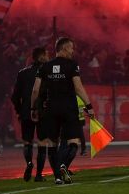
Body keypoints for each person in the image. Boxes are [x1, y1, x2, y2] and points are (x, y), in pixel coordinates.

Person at [29, 37, 94, 185]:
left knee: (52, 143)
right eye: (71, 48)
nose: (73, 51)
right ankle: (64, 165)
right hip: (69, 108)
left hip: (51, 109)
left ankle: (57, 177)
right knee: (73, 141)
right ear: (64, 48)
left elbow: (35, 90)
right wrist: (89, 106)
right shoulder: (72, 65)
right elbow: (78, 88)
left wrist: (33, 108)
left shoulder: (45, 66)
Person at [10, 46, 48, 181]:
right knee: (42, 142)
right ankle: (39, 175)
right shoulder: (47, 73)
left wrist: (19, 111)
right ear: (41, 57)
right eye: (46, 55)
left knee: (27, 141)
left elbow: (15, 96)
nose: (48, 57)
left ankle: (29, 163)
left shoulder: (23, 73)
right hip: (42, 112)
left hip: (26, 112)